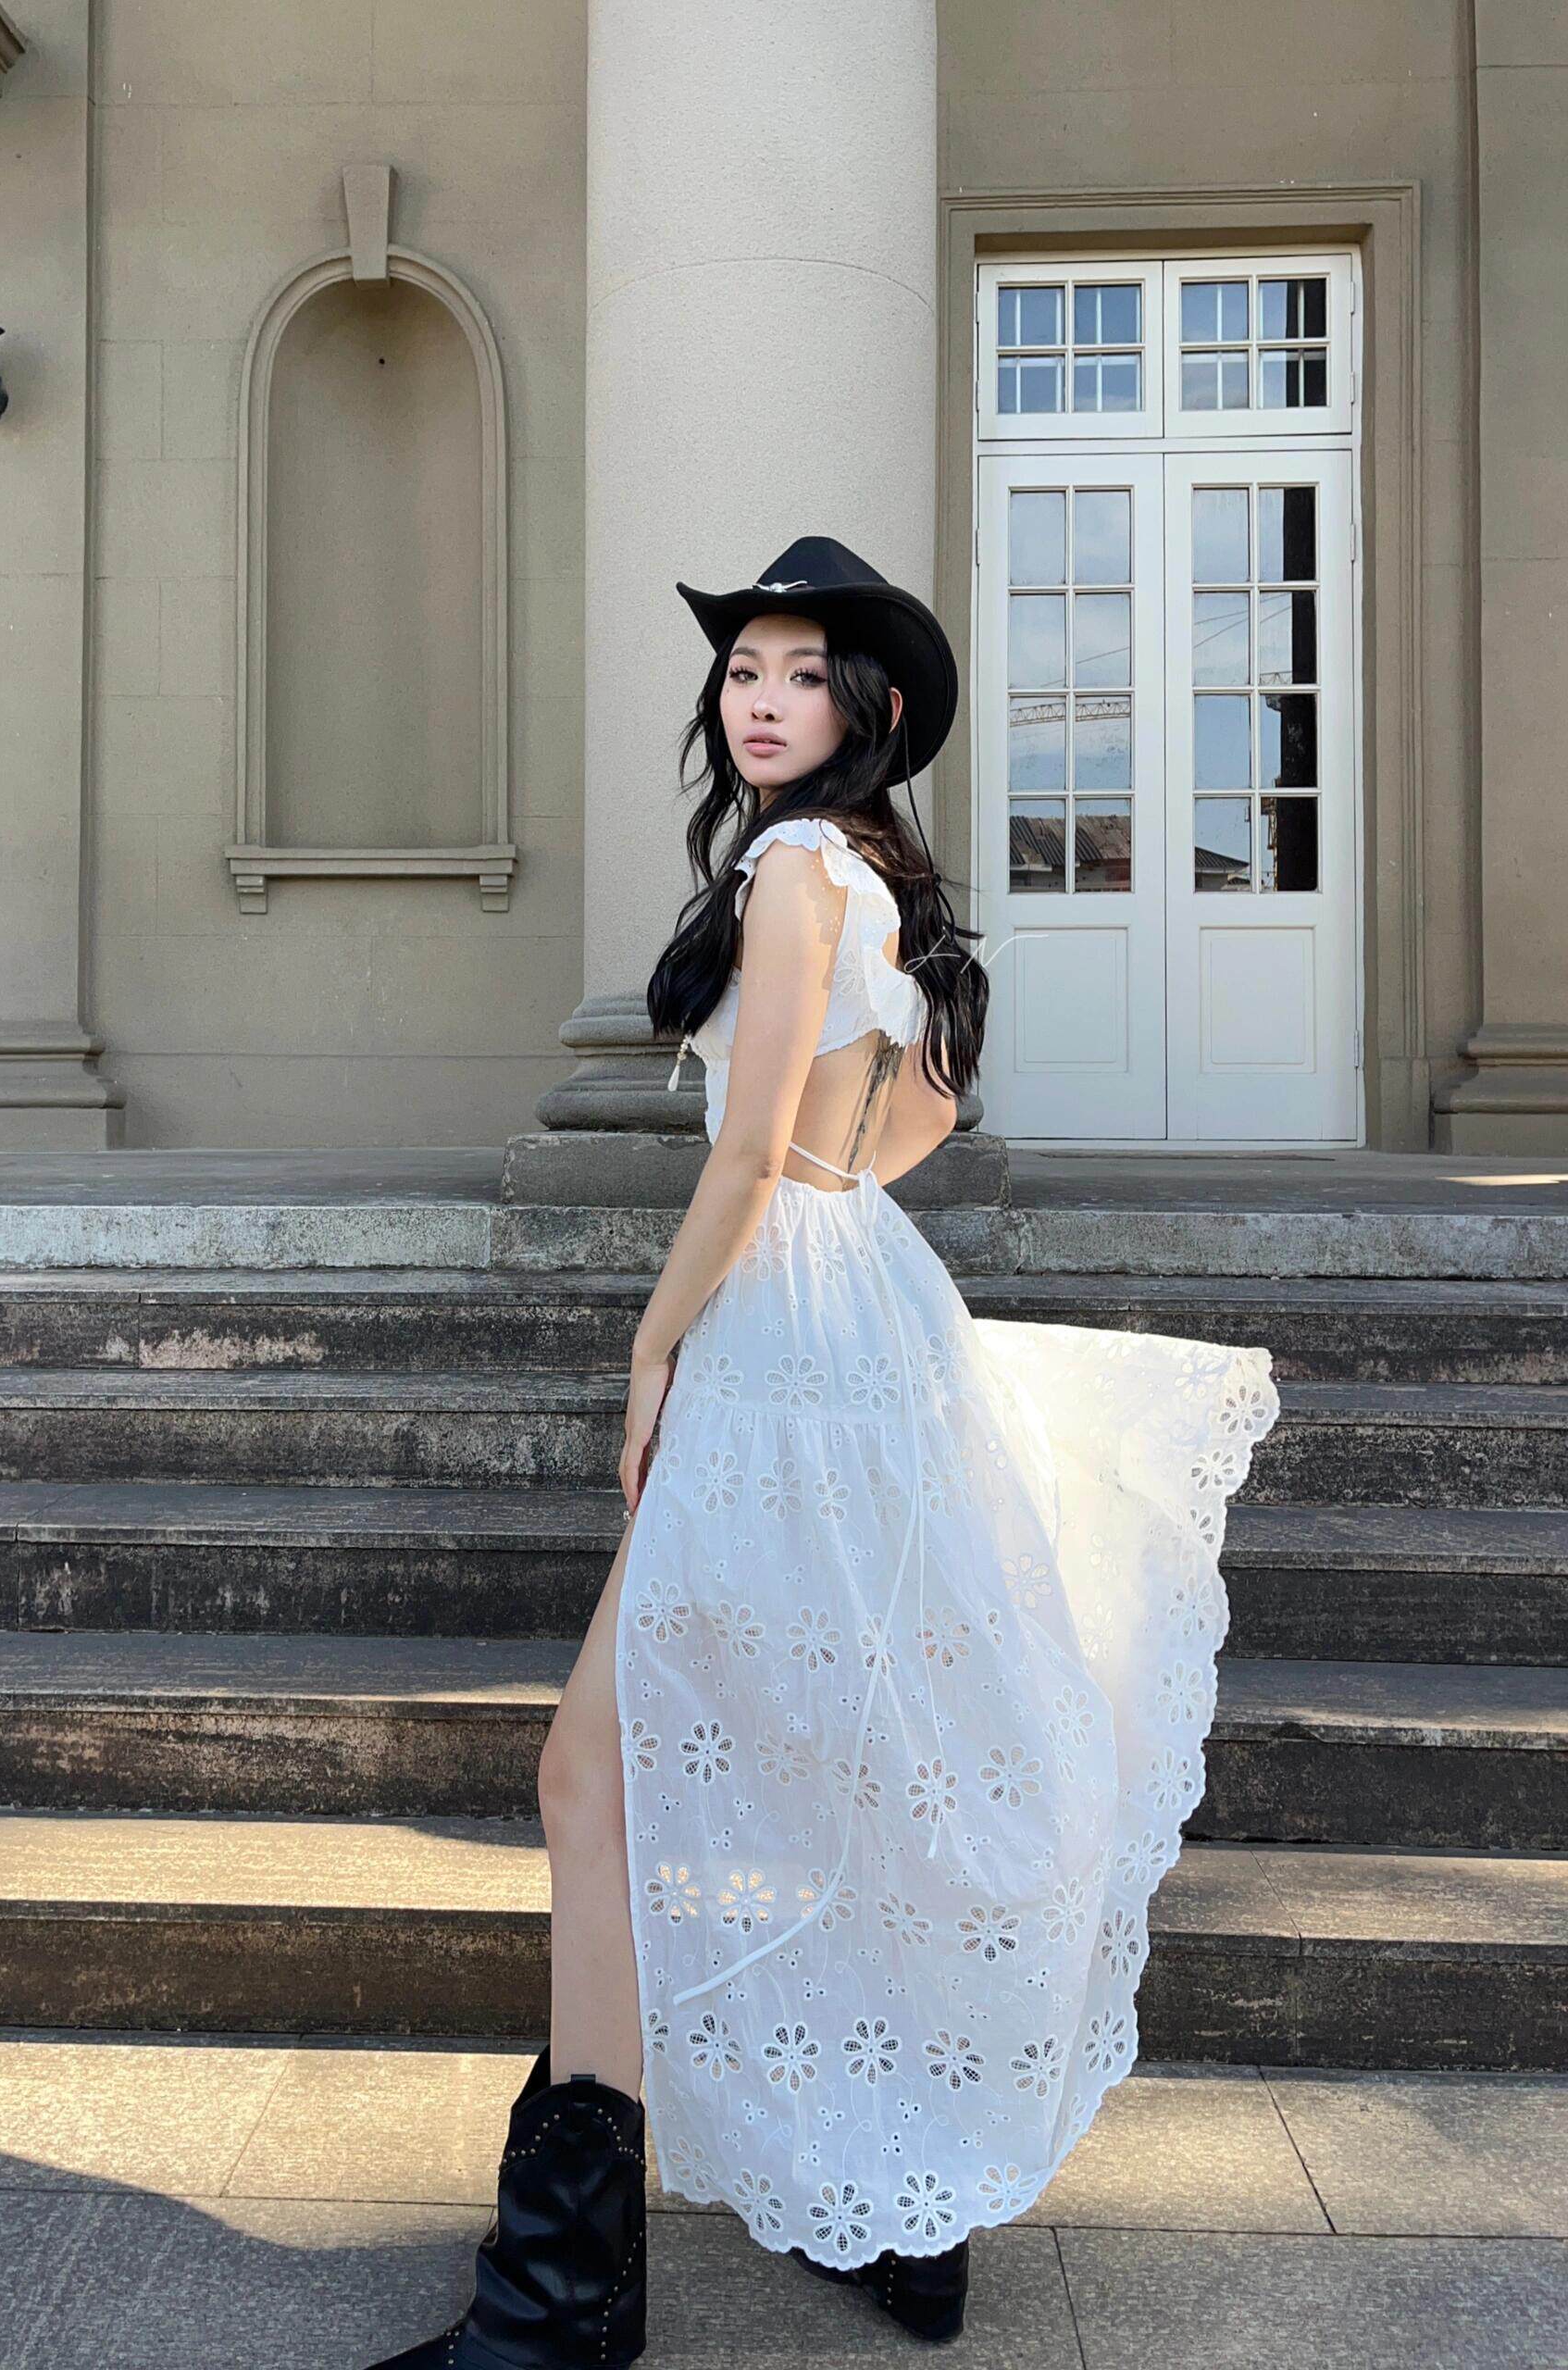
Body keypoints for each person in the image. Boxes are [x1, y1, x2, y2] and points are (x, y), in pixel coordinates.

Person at [363, 536, 1280, 2365]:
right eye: (742, 671)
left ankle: (562, 2301)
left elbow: (743, 1148)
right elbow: (914, 1115)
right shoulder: (877, 875)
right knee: (850, 1751)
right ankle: (903, 2208)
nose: (760, 700)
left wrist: (653, 1346)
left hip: (785, 1332)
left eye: (799, 674)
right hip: (867, 1302)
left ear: (868, 707)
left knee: (596, 1770)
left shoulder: (794, 866)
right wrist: (818, 1199)